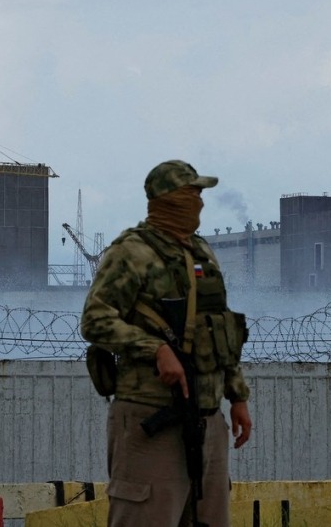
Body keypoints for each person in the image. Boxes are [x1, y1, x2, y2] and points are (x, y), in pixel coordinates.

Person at [80, 159, 252, 527]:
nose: (199, 202)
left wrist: (237, 396)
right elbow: (95, 320)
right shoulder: (131, 252)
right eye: (192, 193)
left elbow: (219, 327)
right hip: (151, 417)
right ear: (167, 199)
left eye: (200, 194)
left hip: (208, 420)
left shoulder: (202, 253)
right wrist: (154, 349)